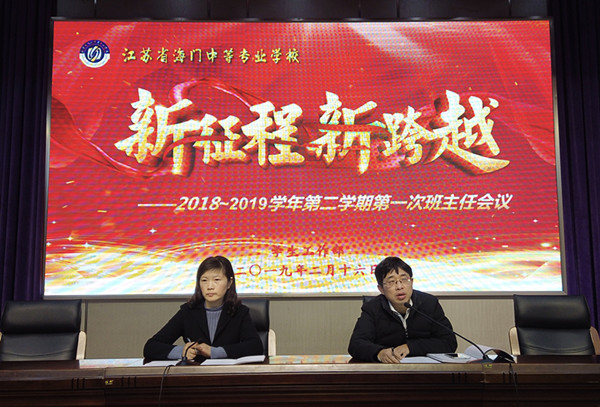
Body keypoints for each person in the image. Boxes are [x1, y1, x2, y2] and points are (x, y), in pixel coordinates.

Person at [144, 255, 263, 361]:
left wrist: (214, 352)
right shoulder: (188, 312)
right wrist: (181, 352)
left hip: (229, 374)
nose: (210, 286)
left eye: (216, 280)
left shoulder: (239, 312)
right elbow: (151, 347)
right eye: (204, 280)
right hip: (196, 375)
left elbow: (255, 347)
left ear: (229, 283)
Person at [348, 256, 457, 363]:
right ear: (381, 289)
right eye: (391, 282)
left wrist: (410, 347)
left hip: (425, 370)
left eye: (404, 279)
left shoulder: (429, 303)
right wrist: (379, 353)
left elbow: (449, 342)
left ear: (411, 282)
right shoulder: (372, 308)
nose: (399, 286)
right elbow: (356, 345)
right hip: (388, 369)